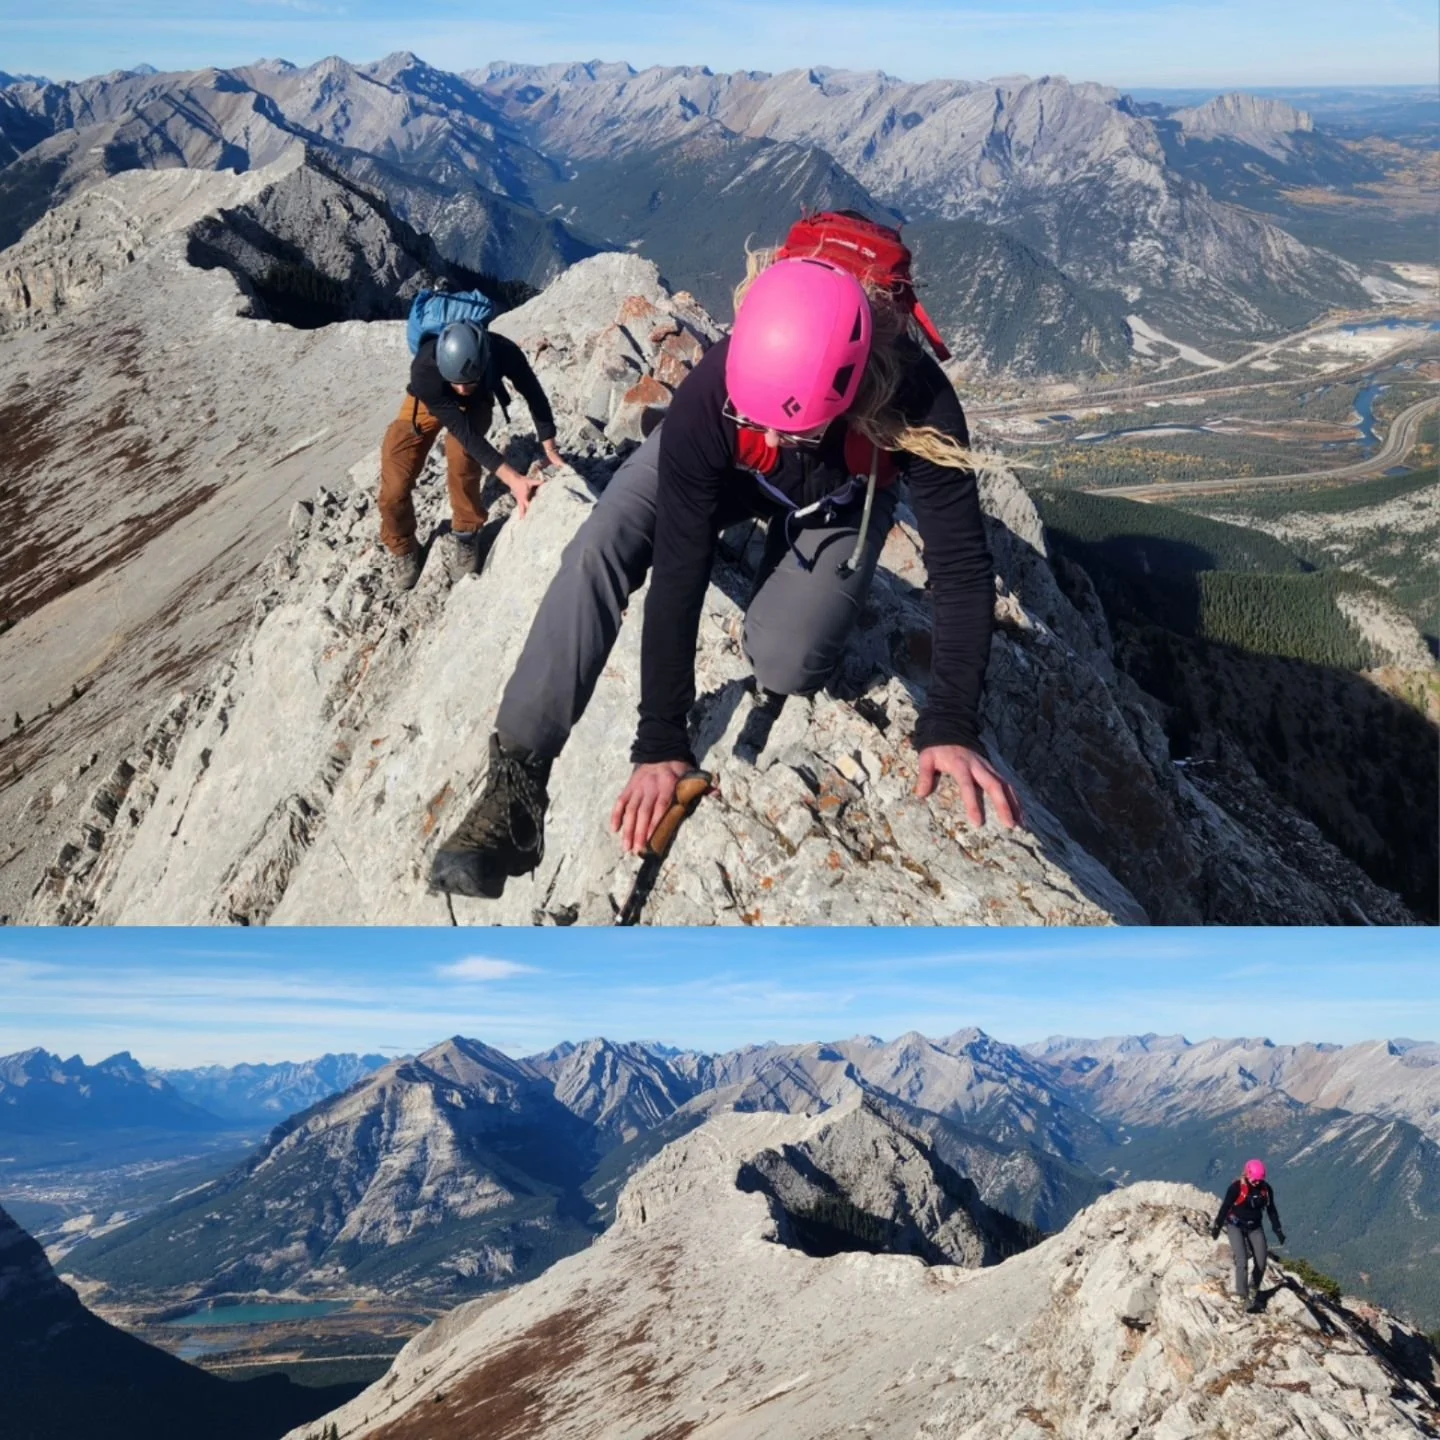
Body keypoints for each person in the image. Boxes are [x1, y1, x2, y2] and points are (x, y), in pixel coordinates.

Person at [429, 249, 1021, 900]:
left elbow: (962, 569)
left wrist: (952, 722)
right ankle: (517, 781)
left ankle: (784, 560)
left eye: (783, 426)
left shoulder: (918, 403)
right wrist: (660, 740)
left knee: (788, 660)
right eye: (755, 414)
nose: (765, 431)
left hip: (837, 496)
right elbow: (682, 563)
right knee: (603, 540)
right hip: (721, 466)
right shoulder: (717, 394)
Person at [378, 319, 563, 590]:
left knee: (463, 456)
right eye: (456, 382)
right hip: (428, 402)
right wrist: (513, 479)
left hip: (478, 404)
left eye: (469, 381)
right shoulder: (424, 370)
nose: (463, 389)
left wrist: (549, 444)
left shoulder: (503, 351)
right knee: (394, 482)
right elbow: (462, 429)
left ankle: (466, 532)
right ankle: (402, 546)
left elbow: (531, 391)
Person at [1211, 1158, 1286, 1312]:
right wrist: (1217, 1225)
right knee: (1242, 1259)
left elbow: (1271, 1210)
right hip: (1235, 1225)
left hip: (1255, 1227)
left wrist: (1277, 1229)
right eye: (1255, 1180)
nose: (1257, 1183)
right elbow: (1225, 1207)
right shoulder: (1236, 1188)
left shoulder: (1266, 1189)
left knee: (1261, 1261)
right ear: (1247, 1174)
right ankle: (1242, 1295)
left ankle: (1253, 1288)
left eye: (1260, 1180)